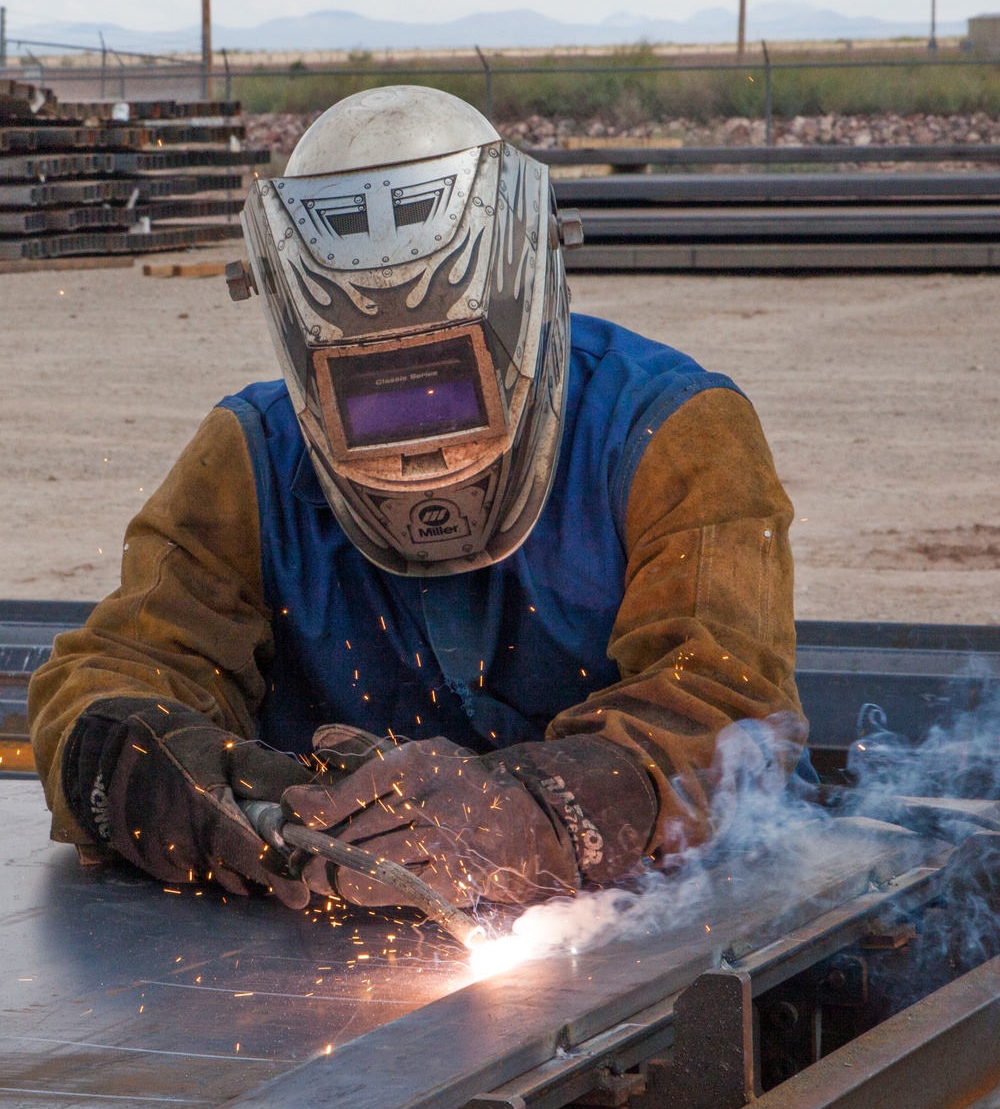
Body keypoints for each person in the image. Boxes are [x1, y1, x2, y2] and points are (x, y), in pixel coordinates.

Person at [29, 86, 807, 914]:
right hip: (328, 945)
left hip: (644, 923)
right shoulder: (247, 459)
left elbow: (728, 705)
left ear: (525, 296)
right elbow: (119, 669)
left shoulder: (675, 436)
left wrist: (545, 812)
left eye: (449, 377)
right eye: (370, 391)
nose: (421, 445)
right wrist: (174, 782)